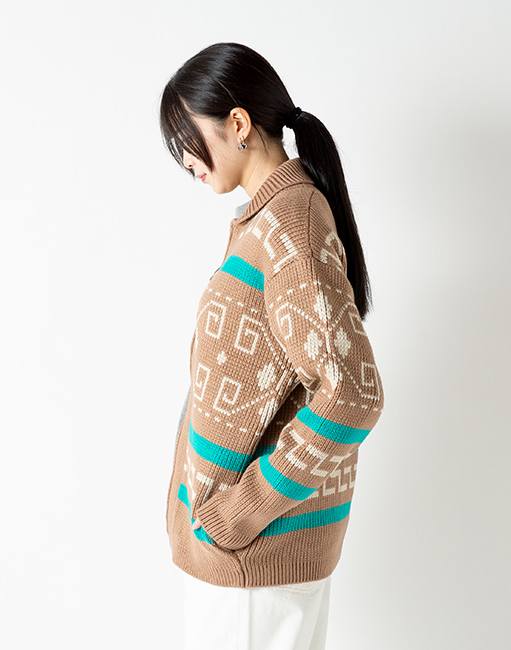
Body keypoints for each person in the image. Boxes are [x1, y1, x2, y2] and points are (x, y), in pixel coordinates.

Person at [159, 42, 385, 650]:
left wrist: (241, 512)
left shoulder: (290, 224)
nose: (184, 158)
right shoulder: (273, 219)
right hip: (249, 564)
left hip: (253, 568)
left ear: (238, 123)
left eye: (187, 137)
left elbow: (352, 394)